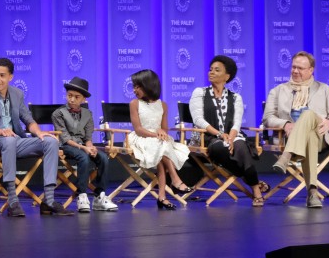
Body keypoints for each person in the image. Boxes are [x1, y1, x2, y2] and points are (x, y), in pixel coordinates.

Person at [0, 57, 72, 216]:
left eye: (1, 75)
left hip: (16, 140)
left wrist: (38, 132)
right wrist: (0, 131)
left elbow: (28, 119)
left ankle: (49, 200)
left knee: (51, 142)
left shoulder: (17, 94)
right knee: (9, 140)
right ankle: (13, 201)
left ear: (10, 77)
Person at [261, 51, 329, 208]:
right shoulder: (278, 91)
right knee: (309, 137)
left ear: (311, 70)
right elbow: (267, 118)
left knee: (309, 115)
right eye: (293, 67)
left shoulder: (324, 90)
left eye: (300, 68)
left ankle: (286, 156)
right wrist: (285, 124)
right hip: (292, 138)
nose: (295, 71)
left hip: (321, 137)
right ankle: (312, 192)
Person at [188, 56, 267, 207]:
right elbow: (198, 120)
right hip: (208, 138)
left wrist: (230, 138)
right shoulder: (200, 93)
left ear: (227, 76)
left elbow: (236, 122)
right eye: (210, 69)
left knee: (242, 146)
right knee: (220, 147)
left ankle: (256, 191)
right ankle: (255, 184)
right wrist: (220, 134)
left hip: (231, 136)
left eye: (217, 70)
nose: (211, 72)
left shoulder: (235, 97)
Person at [126, 69, 192, 210]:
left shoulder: (163, 105)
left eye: (138, 86)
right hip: (141, 138)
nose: (134, 90)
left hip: (158, 141)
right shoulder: (134, 104)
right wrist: (157, 135)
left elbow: (164, 128)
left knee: (161, 155)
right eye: (134, 86)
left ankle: (162, 197)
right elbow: (138, 129)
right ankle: (175, 179)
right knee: (161, 146)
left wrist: (161, 132)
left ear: (149, 85)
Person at [51, 76, 117, 213]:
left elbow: (88, 137)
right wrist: (84, 148)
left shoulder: (88, 114)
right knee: (83, 157)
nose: (72, 99)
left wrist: (91, 147)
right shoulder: (58, 113)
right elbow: (65, 137)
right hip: (67, 145)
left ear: (83, 99)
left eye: (77, 97)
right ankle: (82, 195)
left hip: (83, 145)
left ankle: (100, 196)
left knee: (103, 157)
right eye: (69, 95)